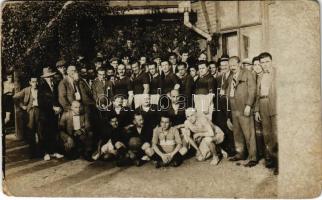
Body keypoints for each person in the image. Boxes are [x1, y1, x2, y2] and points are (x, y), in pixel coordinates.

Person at [225, 56, 258, 167]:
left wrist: (248, 105)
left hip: (244, 107)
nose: (232, 67)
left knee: (249, 134)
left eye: (234, 65)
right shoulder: (230, 77)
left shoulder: (248, 73)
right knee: (237, 133)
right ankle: (240, 153)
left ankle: (253, 157)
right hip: (234, 108)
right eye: (230, 66)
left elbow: (252, 90)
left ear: (239, 64)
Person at [254, 52, 278, 175]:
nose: (265, 65)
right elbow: (258, 95)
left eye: (267, 62)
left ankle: (280, 163)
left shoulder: (278, 73)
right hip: (262, 104)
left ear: (271, 61)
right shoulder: (260, 76)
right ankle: (273, 160)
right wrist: (257, 110)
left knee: (276, 134)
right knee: (267, 135)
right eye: (262, 63)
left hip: (274, 105)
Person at [38, 67, 64, 161]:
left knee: (54, 131)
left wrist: (59, 107)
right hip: (45, 113)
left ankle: (54, 151)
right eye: (48, 77)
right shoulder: (41, 87)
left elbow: (57, 98)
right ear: (44, 77)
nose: (50, 78)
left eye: (51, 76)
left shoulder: (55, 85)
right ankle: (45, 152)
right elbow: (41, 102)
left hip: (54, 113)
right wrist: (52, 107)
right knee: (45, 133)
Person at [13, 76, 41, 158]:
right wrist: (22, 106)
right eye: (33, 81)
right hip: (30, 112)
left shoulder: (41, 90)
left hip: (39, 111)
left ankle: (41, 152)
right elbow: (15, 97)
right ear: (30, 82)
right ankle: (32, 153)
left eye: (36, 81)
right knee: (31, 131)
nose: (34, 83)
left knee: (40, 131)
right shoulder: (26, 90)